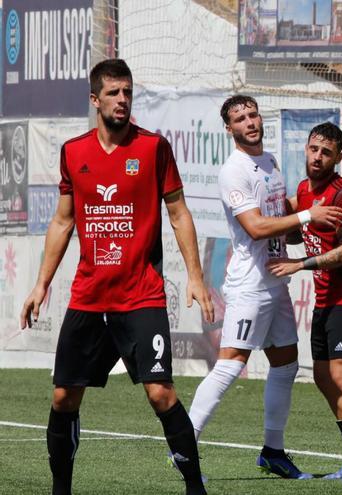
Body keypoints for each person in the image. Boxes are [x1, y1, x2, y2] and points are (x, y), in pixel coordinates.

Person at [19, 58, 213, 495]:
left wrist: (196, 278)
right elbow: (63, 222)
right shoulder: (74, 152)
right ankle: (61, 489)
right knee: (63, 398)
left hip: (141, 296)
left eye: (127, 92)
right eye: (113, 93)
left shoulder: (153, 148)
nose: (122, 100)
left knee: (160, 392)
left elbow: (179, 214)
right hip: (89, 297)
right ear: (95, 99)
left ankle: (194, 489)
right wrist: (41, 284)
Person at [187, 95, 342, 479]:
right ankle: (183, 448)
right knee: (230, 365)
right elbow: (255, 227)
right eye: (240, 119)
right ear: (230, 129)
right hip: (250, 285)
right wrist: (309, 215)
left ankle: (273, 451)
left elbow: (279, 223)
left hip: (275, 280)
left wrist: (313, 224)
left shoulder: (270, 161)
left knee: (286, 363)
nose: (249, 122)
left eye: (253, 114)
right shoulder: (233, 171)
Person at [266, 122, 342, 482]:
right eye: (314, 149)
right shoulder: (304, 191)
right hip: (324, 300)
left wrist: (300, 264)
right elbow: (295, 229)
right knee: (323, 376)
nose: (318, 157)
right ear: (305, 149)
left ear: (338, 157)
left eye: (326, 152)